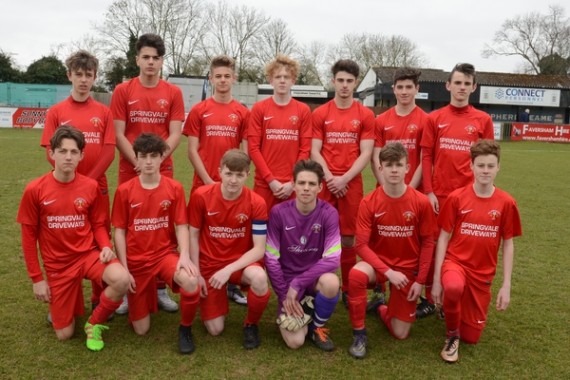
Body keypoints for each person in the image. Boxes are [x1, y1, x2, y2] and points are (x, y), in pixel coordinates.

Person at [17, 125, 129, 352]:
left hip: (88, 255)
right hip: (58, 264)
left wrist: (106, 246)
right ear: (52, 153)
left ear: (82, 155)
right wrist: (37, 279)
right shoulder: (34, 190)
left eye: (74, 152)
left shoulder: (90, 186)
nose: (68, 157)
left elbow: (98, 224)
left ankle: (94, 323)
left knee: (121, 279)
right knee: (64, 334)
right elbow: (28, 238)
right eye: (63, 151)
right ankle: (68, 299)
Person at [111, 33, 185, 313]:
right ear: (137, 59)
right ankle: (129, 288)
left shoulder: (173, 92)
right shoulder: (123, 90)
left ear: (161, 61)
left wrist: (155, 160)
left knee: (163, 227)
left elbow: (176, 133)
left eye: (156, 58)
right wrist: (138, 162)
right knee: (130, 228)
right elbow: (118, 133)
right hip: (130, 170)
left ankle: (161, 287)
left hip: (162, 169)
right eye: (146, 57)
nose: (151, 62)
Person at [431, 139, 522, 363]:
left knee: (471, 337)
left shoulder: (507, 203)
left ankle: (454, 310)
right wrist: (436, 280)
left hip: (483, 275)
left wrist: (506, 285)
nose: (485, 171)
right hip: (456, 264)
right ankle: (451, 337)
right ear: (471, 166)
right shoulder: (456, 197)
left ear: (498, 167)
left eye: (490, 166)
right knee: (452, 287)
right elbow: (443, 238)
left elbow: (508, 244)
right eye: (480, 165)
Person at [40, 50, 116, 319]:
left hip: (98, 188)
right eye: (79, 74)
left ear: (95, 78)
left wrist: (88, 182)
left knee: (98, 239)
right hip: (63, 190)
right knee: (63, 241)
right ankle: (62, 297)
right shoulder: (57, 112)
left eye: (89, 75)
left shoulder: (104, 112)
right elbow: (50, 151)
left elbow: (109, 151)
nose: (83, 80)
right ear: (69, 75)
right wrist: (72, 182)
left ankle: (98, 296)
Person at [111, 133, 200, 354]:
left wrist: (184, 255)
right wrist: (124, 266)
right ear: (136, 159)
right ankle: (145, 296)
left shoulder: (175, 188)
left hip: (164, 256)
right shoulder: (124, 191)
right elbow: (119, 232)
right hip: (136, 261)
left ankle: (185, 329)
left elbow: (181, 225)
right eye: (143, 156)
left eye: (154, 156)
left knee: (190, 281)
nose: (148, 161)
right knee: (141, 329)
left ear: (163, 158)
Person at [347, 142, 437, 359]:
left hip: (407, 272)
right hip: (380, 266)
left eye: (399, 165)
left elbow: (428, 243)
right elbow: (360, 246)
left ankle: (380, 307)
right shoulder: (369, 202)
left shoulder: (421, 202)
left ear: (407, 168)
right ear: (380, 169)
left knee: (400, 333)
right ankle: (359, 333)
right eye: (389, 165)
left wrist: (420, 280)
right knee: (356, 274)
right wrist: (388, 273)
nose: (394, 170)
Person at [418, 63, 494, 317]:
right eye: (457, 82)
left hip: (469, 197)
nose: (461, 88)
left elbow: (487, 160)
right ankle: (431, 297)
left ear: (474, 87)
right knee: (432, 243)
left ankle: (458, 296)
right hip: (439, 195)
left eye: (466, 83)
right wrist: (428, 192)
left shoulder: (483, 120)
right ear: (448, 85)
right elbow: (426, 156)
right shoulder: (434, 118)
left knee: (463, 247)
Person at [182, 55, 250, 306]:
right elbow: (191, 150)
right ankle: (198, 277)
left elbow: (244, 153)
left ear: (234, 79)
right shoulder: (200, 110)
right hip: (204, 183)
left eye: (227, 76)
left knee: (232, 233)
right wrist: (209, 180)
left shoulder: (242, 112)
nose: (222, 80)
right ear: (211, 79)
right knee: (200, 233)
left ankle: (232, 283)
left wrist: (229, 181)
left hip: (231, 185)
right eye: (218, 76)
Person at [188, 149, 270, 349]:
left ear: (247, 175)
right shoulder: (201, 196)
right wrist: (197, 272)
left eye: (239, 175)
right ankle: (214, 298)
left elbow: (259, 249)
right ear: (219, 172)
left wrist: (228, 270)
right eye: (229, 173)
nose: (233, 180)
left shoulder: (257, 202)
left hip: (239, 264)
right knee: (215, 330)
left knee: (259, 279)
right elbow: (193, 235)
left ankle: (251, 324)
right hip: (209, 265)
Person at [311, 59, 375, 304]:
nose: (345, 85)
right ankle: (320, 283)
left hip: (351, 183)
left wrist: (345, 178)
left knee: (349, 237)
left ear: (356, 82)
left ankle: (348, 288)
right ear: (333, 81)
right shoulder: (321, 113)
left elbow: (366, 152)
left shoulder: (365, 115)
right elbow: (315, 150)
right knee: (320, 234)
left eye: (350, 81)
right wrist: (329, 178)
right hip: (325, 182)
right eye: (340, 80)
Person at [265, 160, 341, 351]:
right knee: (295, 341)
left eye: (311, 184)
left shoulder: (329, 213)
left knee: (331, 282)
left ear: (320, 187)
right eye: (301, 183)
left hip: (313, 279)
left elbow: (333, 258)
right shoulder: (278, 213)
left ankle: (317, 327)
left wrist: (298, 283)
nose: (306, 188)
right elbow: (271, 259)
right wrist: (284, 295)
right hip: (288, 283)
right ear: (294, 185)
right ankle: (304, 309)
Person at [248, 54, 312, 211]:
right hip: (265, 184)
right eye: (278, 77)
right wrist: (271, 181)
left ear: (293, 80)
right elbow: (253, 148)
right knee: (261, 232)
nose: (282, 80)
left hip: (292, 186)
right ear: (271, 80)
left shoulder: (303, 110)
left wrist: (292, 182)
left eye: (286, 77)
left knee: (291, 232)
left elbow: (305, 149)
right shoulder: (259, 108)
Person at [372, 67, 426, 189]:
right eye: (400, 87)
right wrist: (387, 188)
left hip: (415, 191)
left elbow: (425, 161)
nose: (404, 92)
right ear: (394, 89)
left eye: (408, 87)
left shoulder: (426, 120)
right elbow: (375, 159)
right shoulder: (380, 120)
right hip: (385, 191)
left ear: (417, 89)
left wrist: (408, 192)